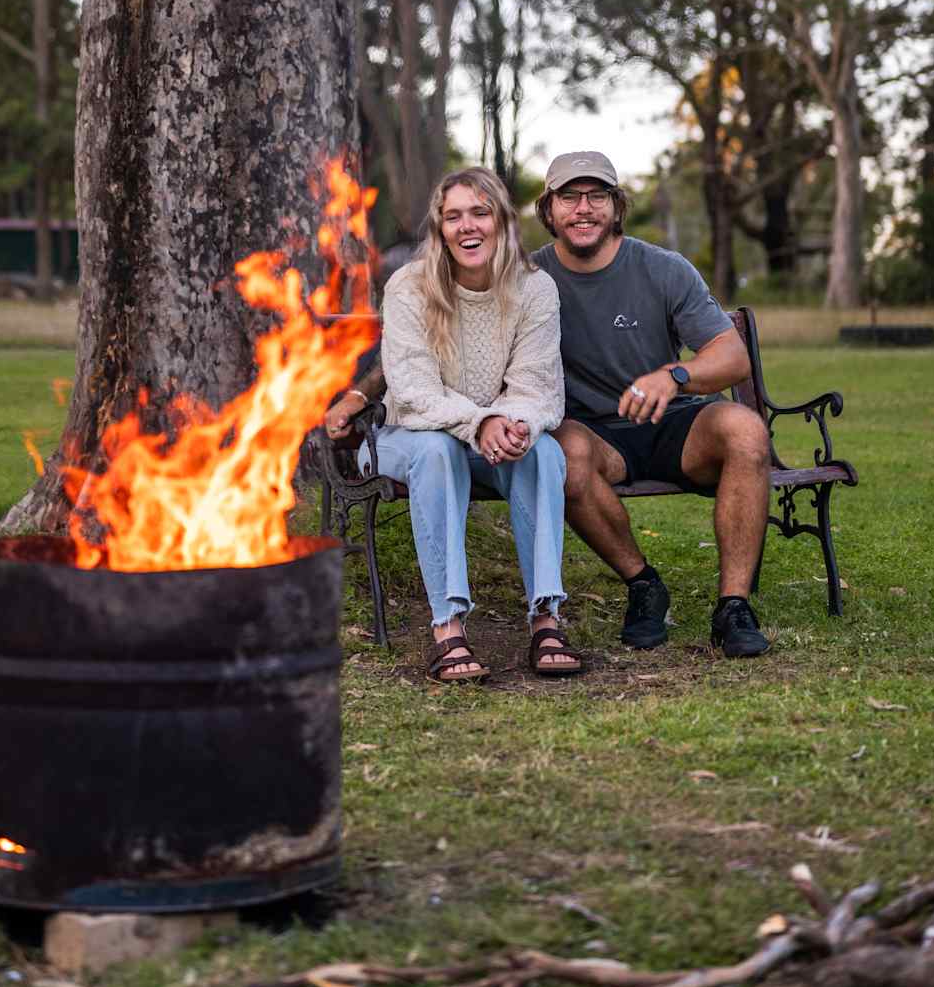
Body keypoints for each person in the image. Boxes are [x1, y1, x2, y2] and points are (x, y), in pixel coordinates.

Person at [324, 167, 579, 683]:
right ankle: (448, 627)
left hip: (489, 437)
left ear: (502, 221)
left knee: (545, 452)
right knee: (437, 451)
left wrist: (513, 425)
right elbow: (415, 393)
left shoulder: (535, 289)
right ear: (440, 228)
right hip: (403, 436)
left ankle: (547, 617)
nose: (468, 226)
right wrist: (480, 420)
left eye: (480, 213)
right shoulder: (410, 288)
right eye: (454, 215)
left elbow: (538, 388)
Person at [531, 150, 773, 660]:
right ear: (548, 209)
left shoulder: (663, 269)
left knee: (746, 430)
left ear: (617, 207)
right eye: (569, 197)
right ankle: (643, 584)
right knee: (565, 454)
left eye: (597, 196)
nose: (583, 208)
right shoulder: (527, 279)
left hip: (673, 425)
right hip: (592, 433)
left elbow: (732, 357)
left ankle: (733, 606)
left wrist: (676, 374)